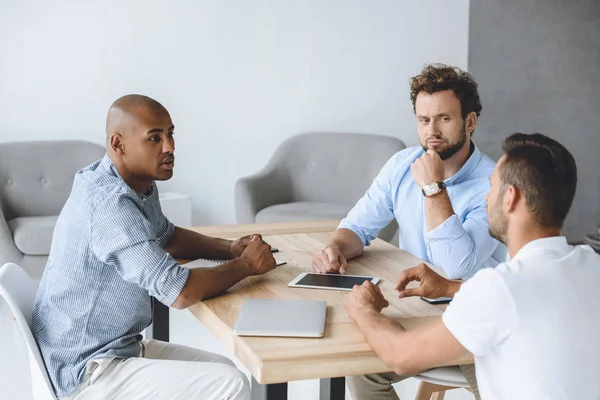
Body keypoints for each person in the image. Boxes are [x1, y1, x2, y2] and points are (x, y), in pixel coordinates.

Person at [33, 94, 277, 400]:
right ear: (118, 144)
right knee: (230, 383)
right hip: (87, 371)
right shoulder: (110, 205)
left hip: (116, 345)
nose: (170, 147)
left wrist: (230, 248)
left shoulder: (135, 184)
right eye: (155, 138)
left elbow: (167, 236)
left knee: (223, 367)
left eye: (170, 134)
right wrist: (247, 266)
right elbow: (179, 291)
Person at [346, 133, 600, 399]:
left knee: (366, 364)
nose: (487, 198)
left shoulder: (500, 288)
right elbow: (532, 295)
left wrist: (363, 310)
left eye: (492, 188)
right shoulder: (591, 264)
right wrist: (451, 287)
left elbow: (400, 355)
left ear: (510, 198)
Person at [313, 64, 506, 398]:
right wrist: (337, 247)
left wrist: (433, 188)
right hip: (415, 308)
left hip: (476, 319)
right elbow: (358, 225)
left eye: (444, 119)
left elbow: (456, 266)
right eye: (423, 119)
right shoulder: (402, 164)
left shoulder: (493, 184)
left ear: (470, 122)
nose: (431, 130)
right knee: (362, 369)